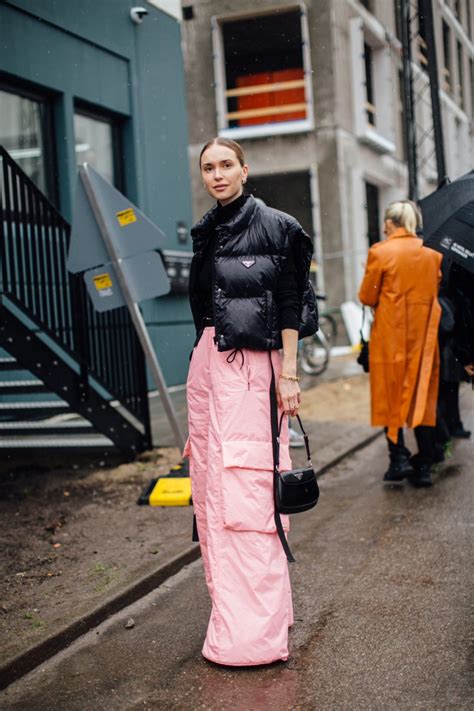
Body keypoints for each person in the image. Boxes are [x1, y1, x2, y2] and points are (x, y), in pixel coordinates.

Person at [184, 137, 318, 666]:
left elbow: (290, 301)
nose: (217, 175)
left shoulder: (279, 226)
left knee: (249, 493)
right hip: (209, 365)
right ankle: (231, 621)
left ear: (245, 168)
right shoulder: (206, 231)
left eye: (225, 165)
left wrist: (288, 373)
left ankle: (256, 635)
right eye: (208, 167)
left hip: (252, 367)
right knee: (213, 493)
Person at [359, 200, 442, 487]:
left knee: (390, 394)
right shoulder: (433, 256)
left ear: (390, 222)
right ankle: (424, 465)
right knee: (422, 395)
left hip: (390, 338)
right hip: (423, 339)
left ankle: (399, 458)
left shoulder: (380, 253)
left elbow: (367, 297)